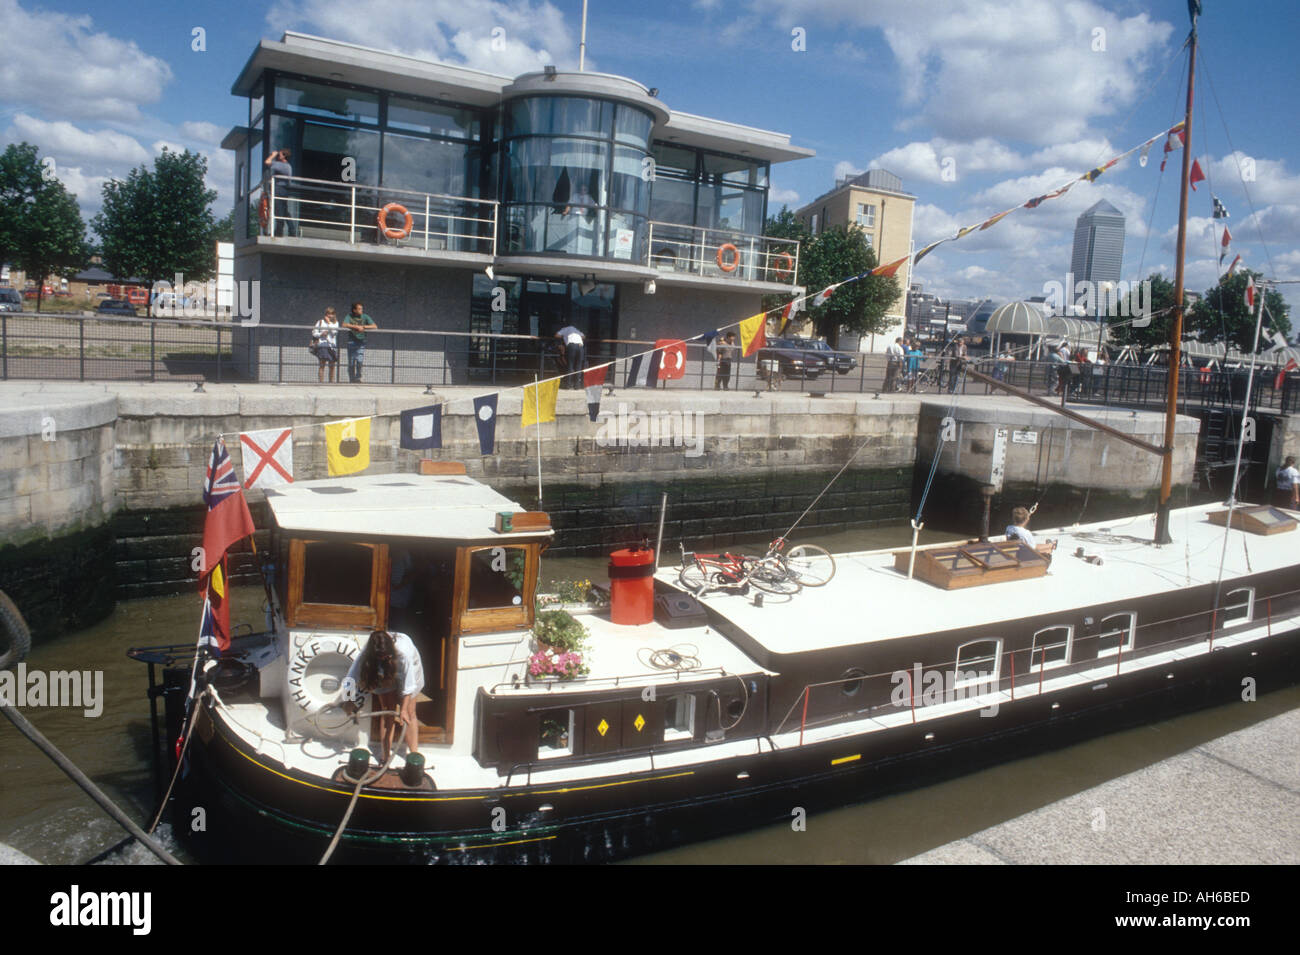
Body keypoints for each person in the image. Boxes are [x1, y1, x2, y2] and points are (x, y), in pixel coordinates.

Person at [342, 630, 425, 765]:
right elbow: (350, 678)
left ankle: (414, 759)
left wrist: (403, 710)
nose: (383, 658)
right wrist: (349, 700)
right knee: (387, 712)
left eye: (385, 656)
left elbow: (409, 686)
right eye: (379, 657)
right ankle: (385, 758)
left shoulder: (404, 652)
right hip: (382, 670)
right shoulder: (368, 653)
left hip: (409, 667)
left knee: (410, 713)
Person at [263, 147, 298, 237]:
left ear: (284, 156)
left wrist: (272, 155)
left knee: (279, 211)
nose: (278, 156)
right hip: (284, 190)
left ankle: (279, 232)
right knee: (284, 211)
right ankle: (292, 230)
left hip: (278, 189)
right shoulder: (288, 166)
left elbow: (267, 162)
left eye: (280, 154)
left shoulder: (282, 165)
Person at [342, 301, 377, 383]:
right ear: (354, 310)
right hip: (351, 341)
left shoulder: (365, 316)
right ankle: (352, 379)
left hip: (361, 342)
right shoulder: (349, 316)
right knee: (351, 362)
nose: (361, 310)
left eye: (362, 309)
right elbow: (344, 324)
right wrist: (355, 327)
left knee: (359, 360)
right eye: (359, 309)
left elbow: (375, 326)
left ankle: (358, 378)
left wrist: (363, 327)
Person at [312, 306, 339, 383]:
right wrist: (321, 334)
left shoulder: (335, 323)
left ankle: (331, 382)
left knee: (332, 366)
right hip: (322, 345)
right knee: (322, 365)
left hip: (332, 346)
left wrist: (329, 323)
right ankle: (321, 382)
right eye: (328, 314)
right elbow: (314, 333)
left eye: (331, 314)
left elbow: (334, 332)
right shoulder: (320, 322)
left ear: (334, 315)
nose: (329, 315)